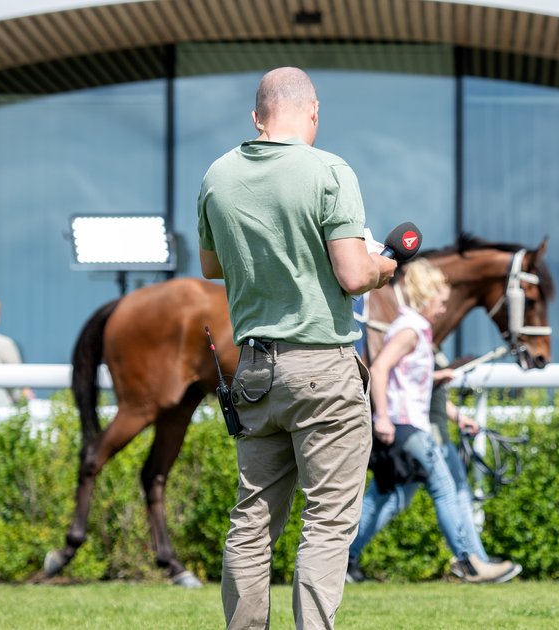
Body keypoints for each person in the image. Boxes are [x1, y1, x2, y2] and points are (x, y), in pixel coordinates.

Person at [197, 67, 397, 630]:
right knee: (328, 521)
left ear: (256, 117)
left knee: (252, 519)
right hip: (321, 368)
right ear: (313, 111)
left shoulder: (218, 174)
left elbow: (212, 265)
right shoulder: (329, 170)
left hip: (255, 368)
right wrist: (386, 266)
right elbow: (354, 275)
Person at [346, 260, 520, 584]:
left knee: (388, 494)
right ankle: (470, 563)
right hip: (407, 425)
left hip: (405, 423)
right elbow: (380, 369)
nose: (443, 309)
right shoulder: (410, 331)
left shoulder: (413, 330)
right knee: (445, 489)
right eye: (440, 302)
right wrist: (382, 417)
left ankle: (345, 559)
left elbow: (406, 379)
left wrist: (440, 382)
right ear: (426, 297)